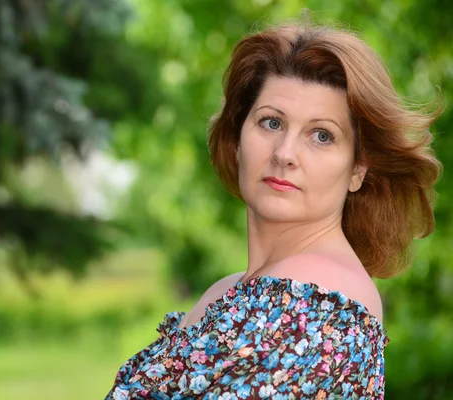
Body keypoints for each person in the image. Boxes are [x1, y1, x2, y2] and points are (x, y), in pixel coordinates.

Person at [105, 20, 442, 399]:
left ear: (357, 169)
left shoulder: (318, 299)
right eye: (271, 122)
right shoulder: (231, 291)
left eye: (321, 135)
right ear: (236, 140)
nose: (284, 154)